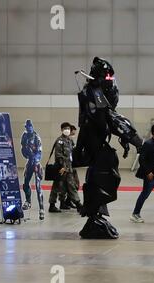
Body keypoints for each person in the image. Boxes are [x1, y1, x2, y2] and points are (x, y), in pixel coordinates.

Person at [74, 57, 143, 239]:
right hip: (94, 145)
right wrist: (134, 139)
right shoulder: (93, 93)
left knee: (106, 171)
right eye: (108, 78)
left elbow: (108, 117)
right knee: (105, 174)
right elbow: (110, 118)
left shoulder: (94, 92)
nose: (111, 82)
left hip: (96, 143)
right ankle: (93, 215)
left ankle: (96, 214)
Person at [48, 122, 83, 213]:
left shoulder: (69, 141)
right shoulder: (59, 141)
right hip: (61, 168)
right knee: (57, 186)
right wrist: (62, 166)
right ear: (62, 130)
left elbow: (73, 154)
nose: (67, 130)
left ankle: (66, 203)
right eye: (65, 129)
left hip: (69, 167)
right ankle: (52, 205)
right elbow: (58, 155)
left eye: (68, 128)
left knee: (70, 186)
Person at [20, 119, 45, 220]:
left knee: (38, 186)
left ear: (32, 127)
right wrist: (27, 156)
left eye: (30, 126)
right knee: (25, 183)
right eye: (27, 127)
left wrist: (36, 161)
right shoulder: (24, 136)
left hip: (36, 162)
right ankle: (28, 201)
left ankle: (41, 209)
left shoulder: (36, 137)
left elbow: (39, 151)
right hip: (29, 161)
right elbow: (23, 149)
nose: (29, 128)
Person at [62, 125, 80, 210]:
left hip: (72, 166)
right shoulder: (61, 141)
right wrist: (63, 166)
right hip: (65, 167)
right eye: (73, 132)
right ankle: (77, 203)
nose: (73, 133)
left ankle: (68, 201)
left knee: (75, 184)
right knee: (66, 186)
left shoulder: (70, 141)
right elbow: (60, 155)